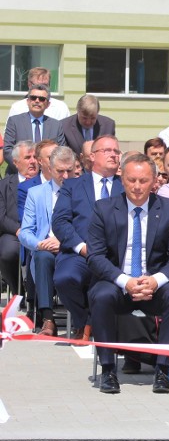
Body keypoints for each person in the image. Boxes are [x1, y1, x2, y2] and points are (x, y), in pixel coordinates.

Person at [87, 154, 169, 394]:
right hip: (117, 281)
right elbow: (95, 257)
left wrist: (155, 281)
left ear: (154, 181)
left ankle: (163, 370)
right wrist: (126, 281)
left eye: (143, 180)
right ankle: (109, 369)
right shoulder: (104, 208)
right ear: (122, 179)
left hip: (155, 282)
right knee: (100, 297)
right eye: (131, 180)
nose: (137, 186)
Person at [52, 135, 125, 341]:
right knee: (64, 278)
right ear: (92, 156)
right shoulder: (73, 185)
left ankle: (93, 324)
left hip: (115, 256)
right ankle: (83, 320)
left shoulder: (126, 186)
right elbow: (60, 221)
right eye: (107, 150)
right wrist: (81, 247)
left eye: (116, 151)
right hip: (80, 253)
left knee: (105, 285)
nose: (113, 154)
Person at [20, 146, 76, 336]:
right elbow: (25, 231)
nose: (66, 176)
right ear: (50, 169)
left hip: (73, 249)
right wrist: (39, 243)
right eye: (61, 171)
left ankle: (80, 319)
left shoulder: (82, 192)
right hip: (45, 248)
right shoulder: (36, 193)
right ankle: (48, 318)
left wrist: (65, 243)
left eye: (70, 170)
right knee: (42, 257)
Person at [0, 141, 37, 296]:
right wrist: (17, 230)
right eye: (28, 157)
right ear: (15, 162)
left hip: (40, 233)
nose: (33, 161)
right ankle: (17, 291)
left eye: (35, 157)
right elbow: (1, 216)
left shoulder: (47, 182)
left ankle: (39, 297)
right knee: (8, 252)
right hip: (14, 232)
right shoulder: (4, 184)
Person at [4, 84, 66, 173]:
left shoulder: (56, 125)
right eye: (33, 97)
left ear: (48, 104)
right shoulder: (14, 122)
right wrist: (23, 168)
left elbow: (61, 152)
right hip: (19, 174)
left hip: (47, 175)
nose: (37, 101)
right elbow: (7, 151)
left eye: (41, 99)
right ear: (28, 101)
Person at [5, 67, 70, 123]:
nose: (41, 89)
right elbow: (9, 135)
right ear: (29, 84)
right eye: (37, 86)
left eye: (44, 86)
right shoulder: (17, 108)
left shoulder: (61, 108)